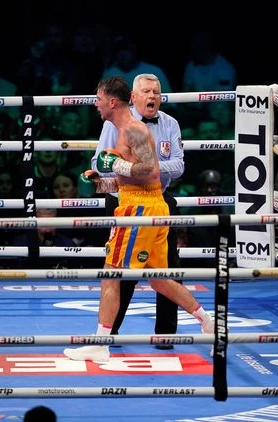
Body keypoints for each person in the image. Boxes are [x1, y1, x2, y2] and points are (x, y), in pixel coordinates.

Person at [63, 76, 213, 362]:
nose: (95, 104)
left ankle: (100, 344)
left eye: (98, 99)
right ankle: (207, 320)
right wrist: (100, 181)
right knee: (159, 280)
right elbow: (126, 181)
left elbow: (153, 172)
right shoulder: (120, 130)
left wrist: (117, 164)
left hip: (139, 211)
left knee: (111, 275)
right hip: (147, 206)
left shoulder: (135, 130)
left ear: (112, 101)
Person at [91, 73, 185, 349]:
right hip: (125, 198)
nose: (152, 96)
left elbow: (178, 166)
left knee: (167, 267)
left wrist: (142, 169)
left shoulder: (170, 124)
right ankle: (109, 332)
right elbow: (98, 160)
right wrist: (128, 170)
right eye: (146, 91)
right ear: (133, 96)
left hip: (158, 198)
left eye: (156, 92)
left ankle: (166, 333)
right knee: (122, 268)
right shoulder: (118, 122)